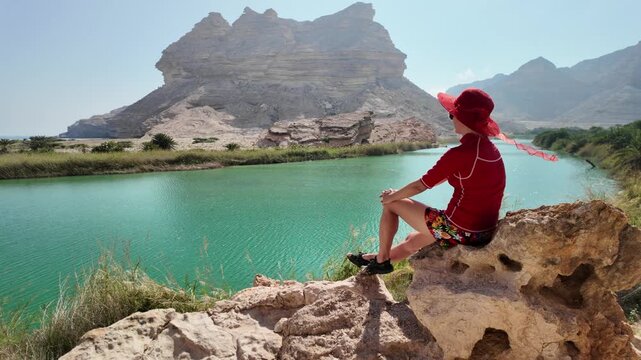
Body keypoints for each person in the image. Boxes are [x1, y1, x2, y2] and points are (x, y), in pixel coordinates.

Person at [347, 88, 557, 275]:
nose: (451, 118)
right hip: (483, 231)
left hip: (457, 229)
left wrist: (392, 195)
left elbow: (420, 185)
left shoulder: (460, 153)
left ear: (462, 118)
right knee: (412, 240)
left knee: (391, 204)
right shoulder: (489, 149)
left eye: (452, 115)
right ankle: (372, 259)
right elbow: (440, 179)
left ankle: (382, 261)